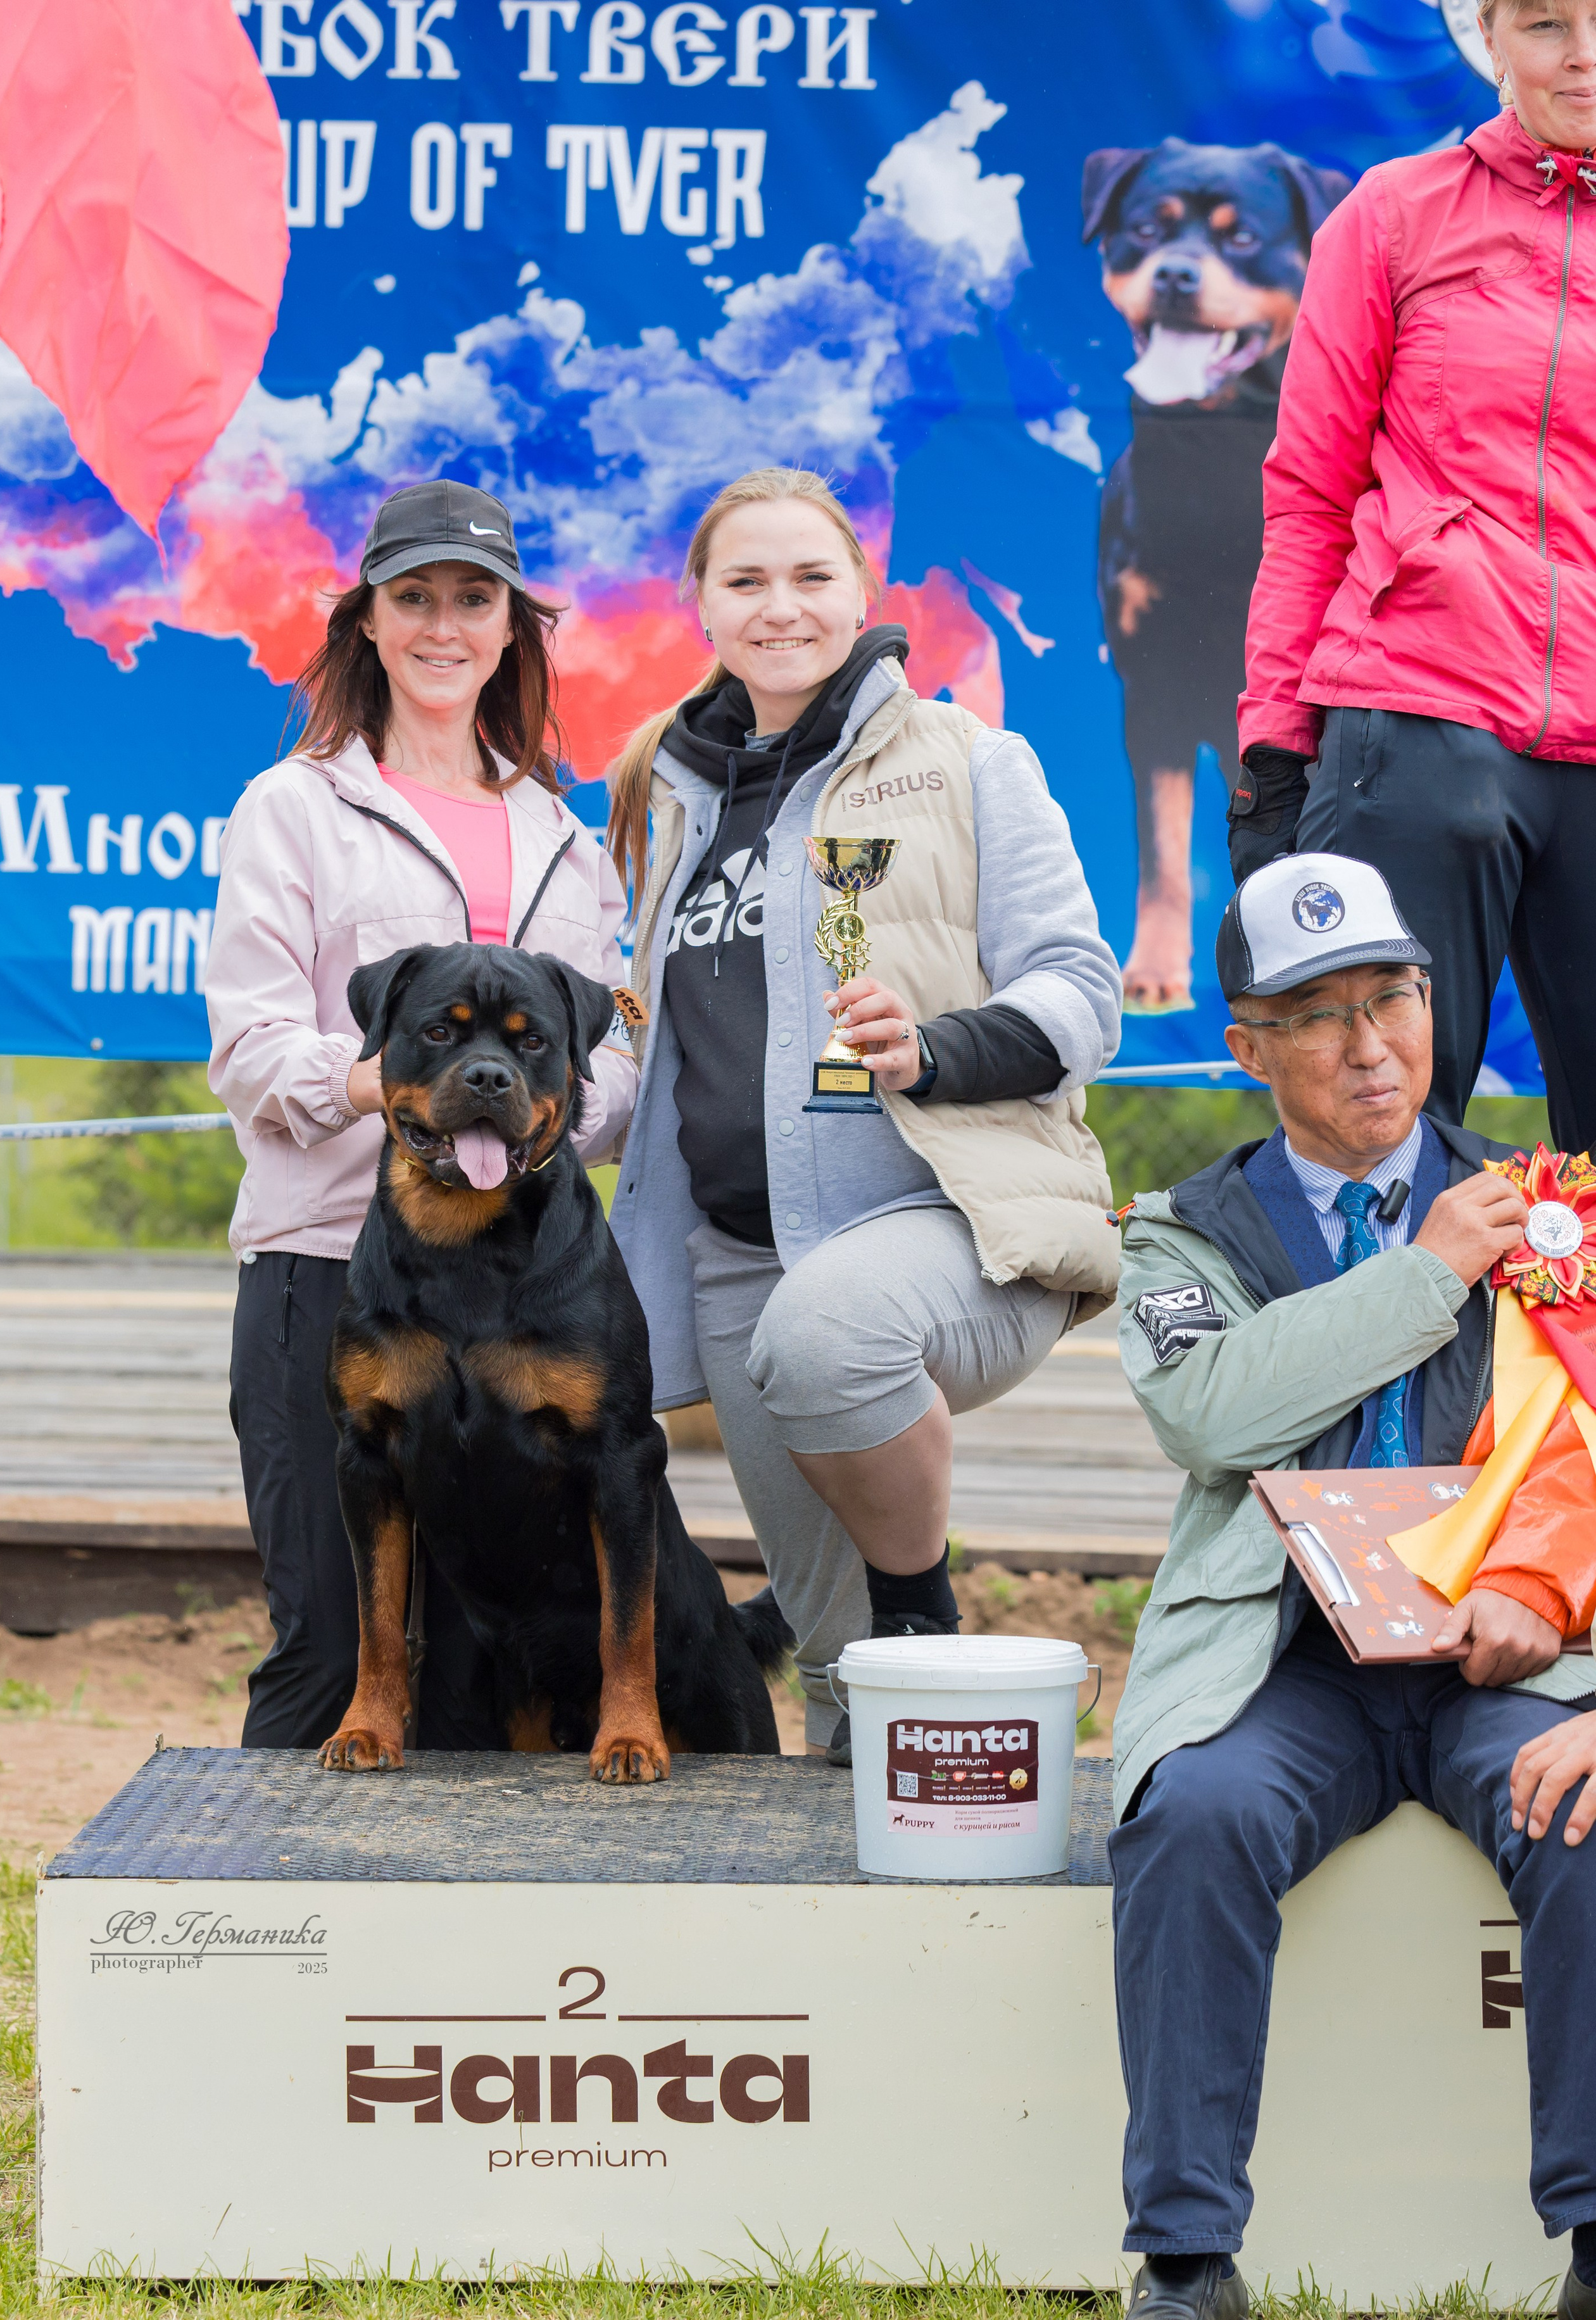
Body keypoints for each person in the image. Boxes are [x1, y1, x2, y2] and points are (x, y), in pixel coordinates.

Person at [1110, 850, 1596, 2320]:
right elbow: (1209, 1414)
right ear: (1244, 1047)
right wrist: (1425, 1272)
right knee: (1191, 1815)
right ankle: (1186, 2259)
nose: (1370, 1044)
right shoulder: (1181, 1226)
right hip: (1286, 1670)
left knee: (1583, 1809)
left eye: (1393, 997)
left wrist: (1540, 1594)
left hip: (1498, 1663)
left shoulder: (1547, 1213)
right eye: (1316, 1015)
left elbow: (1583, 1441)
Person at [605, 466, 1123, 1760]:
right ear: (701, 607)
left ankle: (923, 1604)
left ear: (860, 591)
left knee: (826, 1338)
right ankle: (868, 1879)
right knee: (839, 1682)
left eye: (808, 576)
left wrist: (932, 1048)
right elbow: (647, 1049)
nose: (780, 607)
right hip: (732, 1264)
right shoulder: (659, 794)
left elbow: (1080, 993)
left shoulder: (970, 759)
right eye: (746, 582)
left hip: (952, 1223)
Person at [208, 481, 638, 1750]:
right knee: (329, 1657)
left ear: (513, 627)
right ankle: (265, 1936)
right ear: (367, 623)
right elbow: (250, 1049)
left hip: (524, 1292)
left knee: (471, 1683)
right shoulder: (294, 808)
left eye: (473, 598)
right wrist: (415, 1093)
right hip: (326, 1268)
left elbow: (600, 1079)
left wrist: (535, 1109)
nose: (443, 625)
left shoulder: (567, 835)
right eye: (413, 598)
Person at [1233, 0, 1596, 1151]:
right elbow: (1309, 498)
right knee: (1376, 1134)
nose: (1583, 54)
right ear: (1490, 38)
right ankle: (1389, 1338)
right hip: (1421, 708)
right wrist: (1274, 755)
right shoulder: (1395, 210)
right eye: (1547, 23)